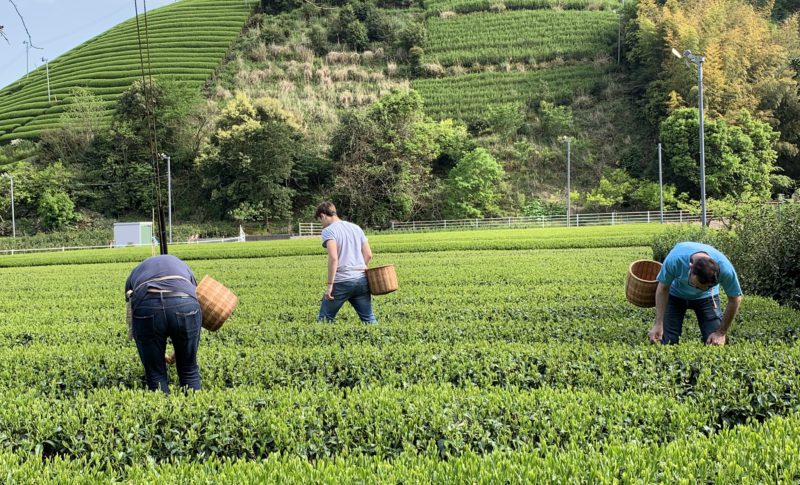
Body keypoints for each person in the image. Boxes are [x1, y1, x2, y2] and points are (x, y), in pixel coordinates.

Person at [125, 254, 202, 393]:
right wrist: (179, 351)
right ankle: (194, 409)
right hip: (184, 301)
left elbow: (130, 310)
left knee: (155, 375)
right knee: (189, 370)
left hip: (147, 303)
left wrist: (154, 351)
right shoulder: (183, 265)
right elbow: (196, 299)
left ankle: (162, 412)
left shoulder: (136, 271)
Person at [648, 241, 743, 346]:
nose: (697, 289)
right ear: (690, 267)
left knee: (714, 343)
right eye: (695, 285)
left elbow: (735, 299)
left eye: (705, 287)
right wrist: (659, 323)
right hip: (676, 295)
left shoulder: (726, 270)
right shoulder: (675, 259)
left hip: (707, 298)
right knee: (668, 341)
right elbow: (663, 288)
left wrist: (721, 332)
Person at [315, 201, 377, 323]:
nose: (322, 224)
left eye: (320, 220)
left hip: (342, 281)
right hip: (361, 280)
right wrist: (358, 269)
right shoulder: (356, 228)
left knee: (324, 319)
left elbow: (333, 258)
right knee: (368, 318)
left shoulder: (328, 231)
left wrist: (329, 285)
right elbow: (369, 254)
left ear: (323, 215)